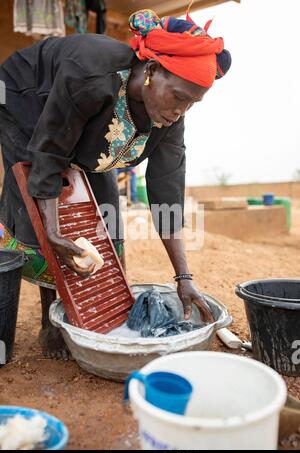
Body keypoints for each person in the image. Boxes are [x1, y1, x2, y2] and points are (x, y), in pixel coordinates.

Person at [0, 7, 231, 359]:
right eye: (179, 96)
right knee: (44, 213)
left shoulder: (170, 120)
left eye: (192, 103)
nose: (181, 111)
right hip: (24, 95)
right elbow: (51, 151)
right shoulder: (91, 74)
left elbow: (167, 192)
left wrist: (183, 277)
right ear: (152, 71)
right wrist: (54, 228)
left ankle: (92, 308)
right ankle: (52, 318)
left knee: (104, 217)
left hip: (85, 125)